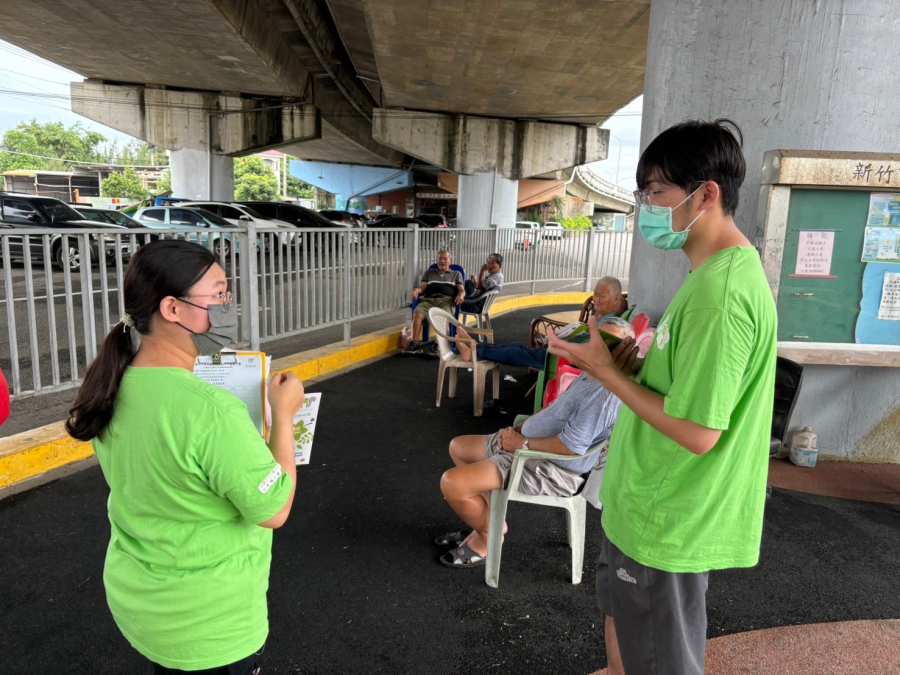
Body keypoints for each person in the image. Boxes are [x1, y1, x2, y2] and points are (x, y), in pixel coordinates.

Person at [548, 119, 777, 675]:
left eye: (656, 192)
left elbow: (699, 433)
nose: (645, 206)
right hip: (644, 508)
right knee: (627, 644)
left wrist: (607, 371)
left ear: (708, 193)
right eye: (643, 193)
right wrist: (629, 366)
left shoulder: (719, 296)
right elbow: (687, 390)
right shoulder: (708, 276)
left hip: (666, 517)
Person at [65, 240, 306, 674]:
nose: (227, 306)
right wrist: (284, 417)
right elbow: (274, 509)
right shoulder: (211, 410)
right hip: (209, 623)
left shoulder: (112, 385)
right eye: (218, 294)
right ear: (173, 309)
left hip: (143, 601)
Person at [436, 317, 635, 567]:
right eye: (598, 341)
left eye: (612, 344)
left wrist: (522, 444)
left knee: (453, 484)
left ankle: (487, 537)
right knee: (459, 447)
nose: (601, 349)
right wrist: (520, 428)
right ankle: (489, 522)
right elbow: (555, 409)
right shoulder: (590, 373)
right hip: (527, 446)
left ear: (626, 350)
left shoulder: (605, 393)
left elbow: (572, 447)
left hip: (549, 466)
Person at [454, 276, 623, 368]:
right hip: (561, 352)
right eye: (595, 294)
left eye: (602, 296)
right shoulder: (603, 317)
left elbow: (590, 353)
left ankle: (474, 350)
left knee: (517, 351)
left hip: (561, 359)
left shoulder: (611, 325)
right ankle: (475, 347)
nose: (597, 300)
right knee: (519, 348)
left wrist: (559, 343)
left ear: (616, 299)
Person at [405, 250, 465, 353]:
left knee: (442, 317)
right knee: (418, 314)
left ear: (450, 261)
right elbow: (422, 288)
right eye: (440, 259)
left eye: (445, 259)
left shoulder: (456, 274)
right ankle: (415, 344)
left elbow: (461, 290)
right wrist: (417, 290)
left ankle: (438, 346)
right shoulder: (429, 273)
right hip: (428, 300)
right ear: (436, 261)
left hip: (446, 301)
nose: (442, 261)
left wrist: (461, 295)